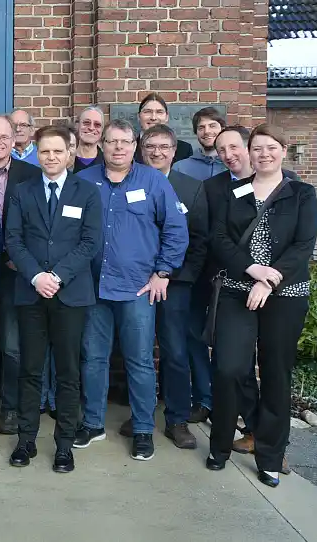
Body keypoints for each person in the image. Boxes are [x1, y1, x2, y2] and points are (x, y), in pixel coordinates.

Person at [207, 124, 317, 488]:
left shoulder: (301, 193)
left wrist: (268, 280)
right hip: (238, 290)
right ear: (249, 153)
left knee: (275, 374)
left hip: (285, 295)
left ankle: (270, 456)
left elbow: (303, 245)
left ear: (284, 150)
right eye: (257, 148)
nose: (264, 154)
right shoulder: (236, 190)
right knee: (228, 368)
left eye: (271, 147)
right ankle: (220, 445)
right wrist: (251, 269)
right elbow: (219, 238)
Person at [75, 119, 188, 461]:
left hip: (138, 289)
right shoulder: (84, 182)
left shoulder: (152, 181)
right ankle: (93, 423)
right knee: (93, 359)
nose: (118, 148)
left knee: (139, 361)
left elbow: (175, 229)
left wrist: (163, 273)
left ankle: (142, 430)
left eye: (125, 142)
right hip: (93, 289)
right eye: (112, 142)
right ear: (102, 145)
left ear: (134, 144)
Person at [4, 125, 102, 472]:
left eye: (58, 151)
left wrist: (57, 276)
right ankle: (26, 440)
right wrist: (36, 276)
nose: (51, 158)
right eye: (44, 151)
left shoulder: (87, 192)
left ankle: (64, 445)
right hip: (31, 294)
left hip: (70, 295)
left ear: (69, 153)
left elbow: (90, 243)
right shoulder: (21, 190)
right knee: (29, 370)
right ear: (36, 152)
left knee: (68, 372)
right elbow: (13, 239)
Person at [128, 124, 209, 450]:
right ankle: (141, 415)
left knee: (175, 352)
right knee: (138, 352)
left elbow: (200, 241)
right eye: (151, 146)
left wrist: (172, 275)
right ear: (142, 150)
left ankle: (176, 419)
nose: (157, 152)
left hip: (175, 284)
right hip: (136, 283)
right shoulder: (129, 182)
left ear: (175, 151)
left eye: (164, 146)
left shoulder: (191, 188)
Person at [0, 115, 40, 435]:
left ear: (15, 140)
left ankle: (11, 409)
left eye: (5, 136)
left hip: (14, 271)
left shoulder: (31, 174)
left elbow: (39, 223)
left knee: (12, 346)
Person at [133, 93, 193, 164]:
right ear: (139, 116)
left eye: (159, 112)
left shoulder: (184, 149)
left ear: (167, 117)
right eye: (148, 112)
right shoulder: (127, 148)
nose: (153, 117)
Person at [173, 107, 228, 180]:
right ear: (196, 132)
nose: (207, 131)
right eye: (201, 128)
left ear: (222, 129)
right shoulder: (179, 168)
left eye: (212, 126)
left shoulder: (233, 164)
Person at [73, 106, 104, 173]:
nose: (91, 128)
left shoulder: (107, 163)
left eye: (97, 124)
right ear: (77, 126)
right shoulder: (65, 160)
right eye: (86, 123)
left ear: (102, 130)